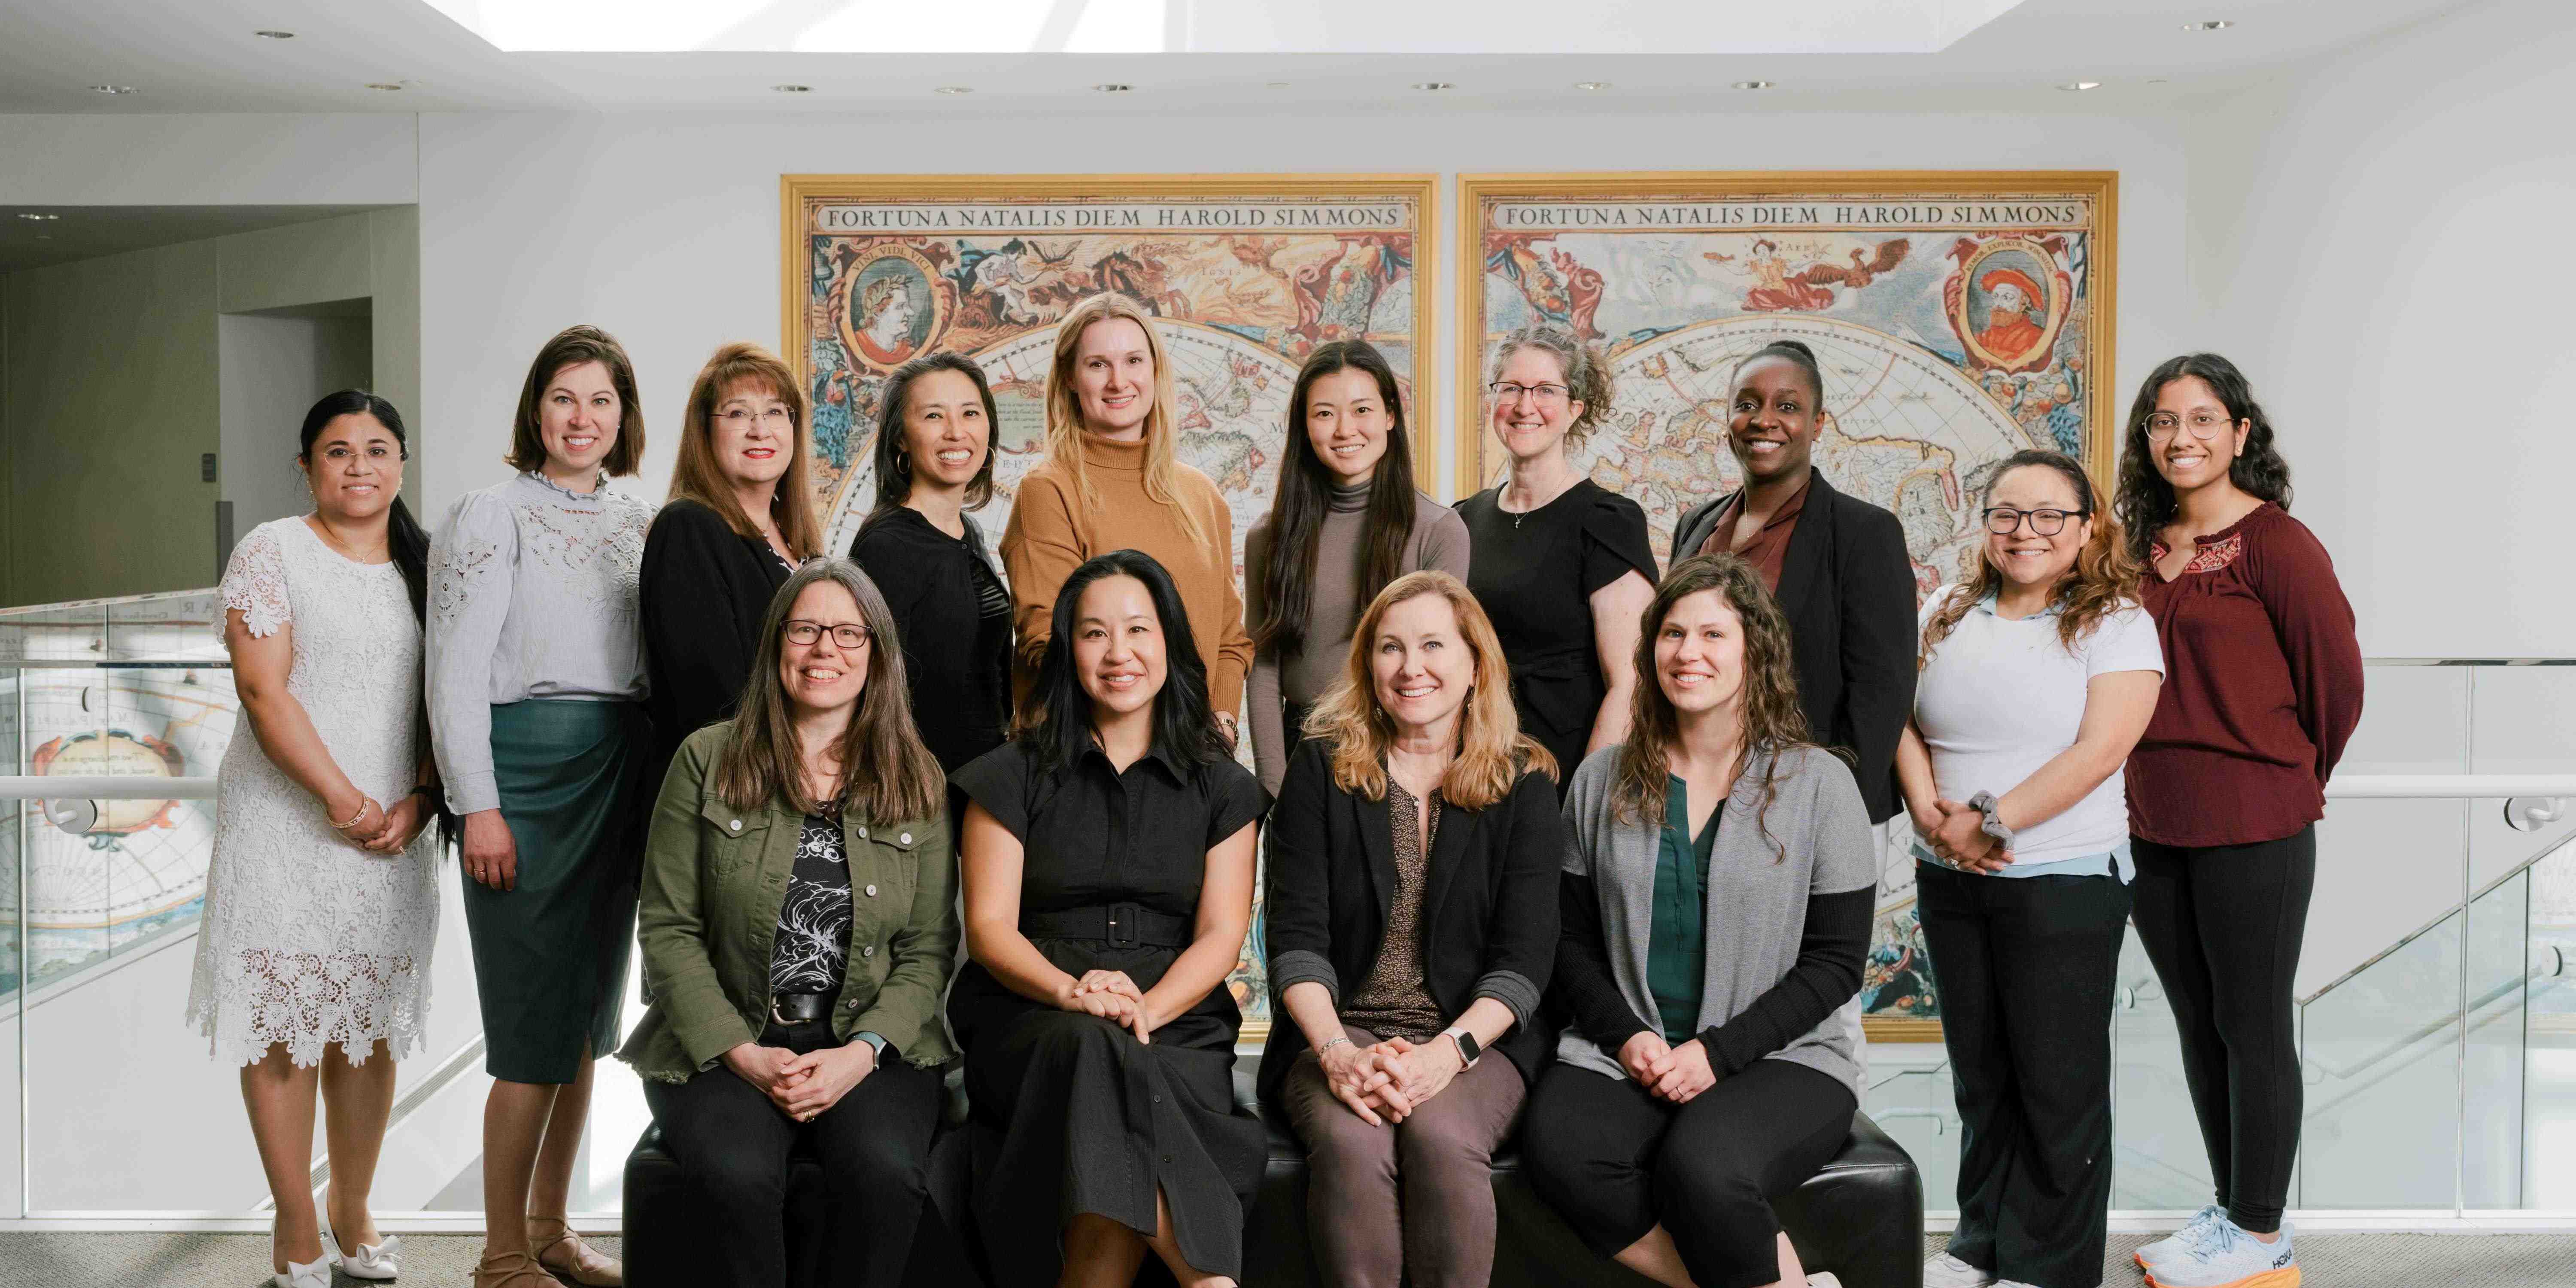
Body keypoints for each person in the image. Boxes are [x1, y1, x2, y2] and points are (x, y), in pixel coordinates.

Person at [1524, 554, 1873, 1288]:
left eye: (1714, 634)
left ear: (1756, 651)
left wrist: (1717, 1053)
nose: (1690, 653)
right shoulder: (1601, 779)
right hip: (1627, 1049)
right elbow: (1570, 942)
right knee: (1563, 1153)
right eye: (1673, 634)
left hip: (1787, 1057)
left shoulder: (1822, 784)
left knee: (1704, 1168)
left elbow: (1837, 963)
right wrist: (1627, 1038)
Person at [620, 559, 957, 1288]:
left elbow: (928, 950)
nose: (824, 650)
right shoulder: (706, 760)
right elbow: (668, 927)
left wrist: (859, 1054)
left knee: (887, 1173)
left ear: (877, 654)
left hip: (869, 1040)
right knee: (736, 1175)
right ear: (777, 645)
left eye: (846, 633)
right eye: (805, 630)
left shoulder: (917, 777)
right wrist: (742, 1053)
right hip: (729, 1035)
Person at [947, 550, 1269, 1288]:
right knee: (1090, 1048)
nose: (1118, 654)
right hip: (1034, 1011)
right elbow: (991, 927)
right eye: (1094, 634)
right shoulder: (1010, 773)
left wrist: (1146, 1009)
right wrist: (1070, 991)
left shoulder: (1224, 786)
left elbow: (1223, 935)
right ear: (1068, 649)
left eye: (1138, 630)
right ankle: (1208, 1278)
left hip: (1176, 1016)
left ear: (1170, 643)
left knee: (1110, 1080)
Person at [184, 391, 443, 1288]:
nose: (359, 466)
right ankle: (295, 1225)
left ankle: (353, 1206)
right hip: (289, 824)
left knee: (366, 1029)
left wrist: (415, 800)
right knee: (286, 1025)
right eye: (337, 451)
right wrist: (344, 800)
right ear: (307, 466)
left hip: (394, 832)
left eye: (377, 449)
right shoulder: (272, 549)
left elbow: (443, 703)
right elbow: (265, 691)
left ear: (402, 463)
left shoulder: (428, 565)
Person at [2113, 355, 2361, 1288]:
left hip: (2256, 821)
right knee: (2198, 1025)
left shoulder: (2278, 546)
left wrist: (2289, 774)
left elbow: (2336, 682)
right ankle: (2230, 1212)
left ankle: (2262, 1233)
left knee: (2253, 1025)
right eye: (2164, 422)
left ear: (2240, 435)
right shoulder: (2137, 550)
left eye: (2204, 419)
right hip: (2151, 822)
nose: (2183, 438)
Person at [1894, 450, 2163, 1288]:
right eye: (2008, 513)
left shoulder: (2118, 622)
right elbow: (1895, 718)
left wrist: (1993, 821)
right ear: (1986, 525)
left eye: (2050, 514)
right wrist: (1932, 817)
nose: (2026, 531)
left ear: (2088, 528)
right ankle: (1983, 1243)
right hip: (1951, 879)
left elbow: (2102, 749)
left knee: (2057, 1085)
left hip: (2063, 880)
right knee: (1984, 1076)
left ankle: (2047, 1266)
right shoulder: (1946, 607)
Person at [427, 324, 656, 1288]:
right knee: (529, 1029)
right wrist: (476, 804)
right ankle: (500, 1252)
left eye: (601, 400)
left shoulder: (644, 518)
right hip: (524, 774)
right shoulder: (490, 514)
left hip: (622, 767)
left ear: (623, 416)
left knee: (582, 1029)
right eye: (565, 398)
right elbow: (453, 674)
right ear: (535, 410)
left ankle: (554, 1232)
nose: (582, 418)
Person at [1260, 570, 1561, 1288]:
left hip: (1475, 1038)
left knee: (1442, 1132)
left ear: (1474, 664)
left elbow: (1523, 963)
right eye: (1390, 648)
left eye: (1433, 645)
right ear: (1368, 664)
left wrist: (1444, 1056)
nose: (1411, 667)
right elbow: (1295, 940)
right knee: (1354, 1138)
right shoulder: (1321, 765)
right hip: (1339, 1031)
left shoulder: (1524, 782)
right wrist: (1337, 1054)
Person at [1670, 339, 1917, 833]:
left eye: (1787, 406)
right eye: (1746, 404)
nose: (1765, 420)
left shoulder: (1864, 532)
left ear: (1818, 423)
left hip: (1812, 797)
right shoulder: (1696, 524)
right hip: (1696, 789)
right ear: (1728, 418)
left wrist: (1836, 808)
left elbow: (1882, 691)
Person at [1001, 293, 1255, 747]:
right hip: (1089, 756)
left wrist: (1222, 726)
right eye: (1098, 364)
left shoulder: (1202, 495)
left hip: (1195, 758)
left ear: (1155, 372)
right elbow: (1047, 642)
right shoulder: (1048, 491)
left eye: (1134, 360)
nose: (1119, 381)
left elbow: (1230, 640)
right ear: (1070, 379)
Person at [1245, 340, 1471, 796]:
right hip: (1300, 751)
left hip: (1400, 756)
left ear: (1390, 416)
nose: (1345, 429)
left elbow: (1445, 671)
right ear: (1304, 427)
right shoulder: (1270, 537)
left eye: (1362, 409)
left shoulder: (1439, 530)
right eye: (1325, 414)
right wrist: (1276, 784)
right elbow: (1264, 664)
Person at [1455, 325, 1658, 777]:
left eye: (1546, 390)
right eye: (1511, 389)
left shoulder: (1609, 522)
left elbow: (1629, 684)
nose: (1526, 406)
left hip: (1565, 773)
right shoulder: (1464, 519)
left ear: (1574, 409)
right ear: (1493, 403)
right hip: (1473, 770)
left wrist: (1583, 809)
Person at [641, 342, 823, 778]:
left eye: (777, 412)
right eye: (738, 413)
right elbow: (711, 699)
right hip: (732, 788)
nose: (760, 430)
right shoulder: (688, 528)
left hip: (796, 779)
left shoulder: (804, 548)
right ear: (705, 432)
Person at [849, 351, 1012, 775]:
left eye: (971, 413)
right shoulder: (886, 546)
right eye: (934, 417)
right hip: (919, 794)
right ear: (901, 437)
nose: (957, 433)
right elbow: (871, 693)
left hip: (985, 785)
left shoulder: (968, 532)